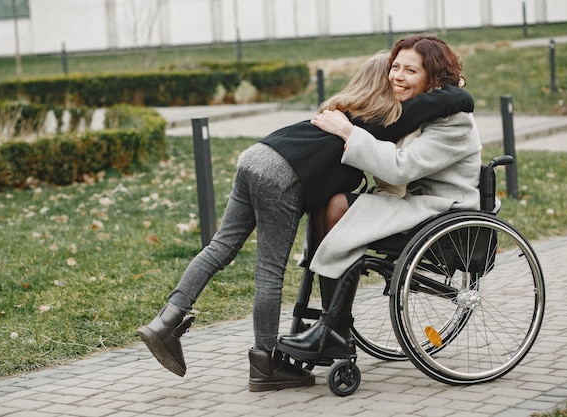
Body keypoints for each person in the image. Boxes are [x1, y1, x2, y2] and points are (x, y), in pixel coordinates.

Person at [138, 51, 474, 391]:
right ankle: (265, 363)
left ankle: (167, 320)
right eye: (394, 73)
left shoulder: (343, 108)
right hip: (281, 178)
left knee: (220, 247)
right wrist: (457, 85)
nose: (399, 80)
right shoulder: (383, 119)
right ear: (382, 84)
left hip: (257, 156)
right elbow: (454, 100)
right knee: (270, 270)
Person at [277, 34, 483, 360]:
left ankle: (334, 331)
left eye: (410, 71)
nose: (398, 76)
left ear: (433, 76)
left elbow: (401, 168)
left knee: (338, 208)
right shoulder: (416, 108)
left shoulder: (453, 121)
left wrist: (348, 131)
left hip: (440, 208)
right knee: (328, 204)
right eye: (395, 67)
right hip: (408, 201)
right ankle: (330, 330)